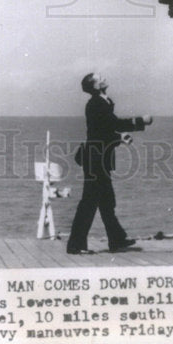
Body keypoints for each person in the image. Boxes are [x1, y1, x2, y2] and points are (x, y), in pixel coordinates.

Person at [66, 72, 152, 255]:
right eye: (99, 78)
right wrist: (138, 123)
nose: (104, 78)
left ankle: (117, 240)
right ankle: (75, 245)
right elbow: (106, 129)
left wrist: (122, 134)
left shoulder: (103, 102)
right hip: (95, 160)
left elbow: (107, 127)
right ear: (96, 86)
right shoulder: (96, 104)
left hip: (99, 158)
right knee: (89, 203)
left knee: (106, 201)